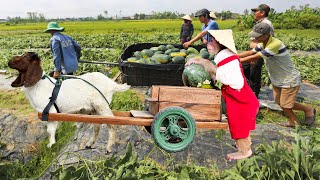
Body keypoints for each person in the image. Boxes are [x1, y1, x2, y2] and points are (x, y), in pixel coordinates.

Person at [185, 29, 259, 160]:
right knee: (240, 124)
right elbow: (217, 72)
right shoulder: (225, 56)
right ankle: (245, 146)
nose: (208, 44)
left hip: (240, 99)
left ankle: (244, 152)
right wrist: (201, 61)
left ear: (221, 43)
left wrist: (204, 62)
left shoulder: (229, 59)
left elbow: (222, 76)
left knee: (238, 125)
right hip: (238, 97)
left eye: (211, 41)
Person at [238, 22, 316, 127]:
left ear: (266, 35)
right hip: (277, 78)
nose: (255, 38)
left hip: (288, 78)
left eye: (258, 36)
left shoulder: (275, 44)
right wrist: (234, 56)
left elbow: (255, 57)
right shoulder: (262, 43)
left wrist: (236, 61)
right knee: (280, 102)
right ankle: (301, 114)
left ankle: (301, 115)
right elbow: (250, 53)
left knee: (286, 104)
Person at [243, 4, 275, 97]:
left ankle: (254, 96)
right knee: (245, 68)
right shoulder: (260, 22)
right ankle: (248, 91)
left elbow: (265, 41)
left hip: (259, 51)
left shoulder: (266, 24)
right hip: (254, 50)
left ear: (262, 13)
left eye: (256, 11)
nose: (254, 13)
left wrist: (256, 56)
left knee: (254, 74)